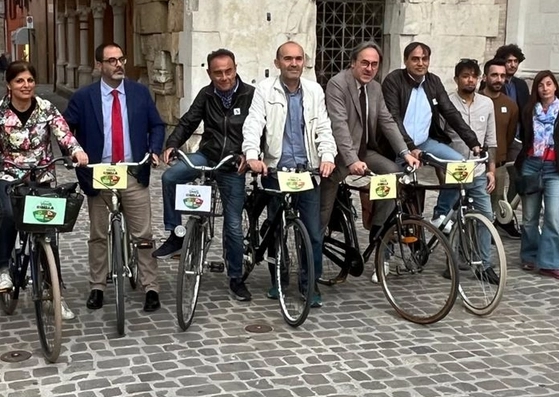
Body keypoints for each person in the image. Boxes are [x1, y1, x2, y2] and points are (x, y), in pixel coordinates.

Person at [0, 61, 88, 318]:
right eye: (19, 81)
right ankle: (2, 268)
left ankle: (54, 294)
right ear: (9, 85)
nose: (26, 86)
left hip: (41, 175)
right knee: (9, 214)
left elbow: (64, 134)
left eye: (29, 80)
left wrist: (76, 150)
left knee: (48, 230)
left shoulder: (47, 108)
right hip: (6, 174)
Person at [63, 41, 166, 312]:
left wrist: (154, 150)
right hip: (100, 173)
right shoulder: (84, 97)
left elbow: (157, 125)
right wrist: (75, 153)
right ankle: (97, 285)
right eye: (112, 60)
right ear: (99, 65)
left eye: (121, 59)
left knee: (143, 233)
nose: (119, 64)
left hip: (132, 170)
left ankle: (151, 286)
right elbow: (65, 130)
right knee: (98, 234)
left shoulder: (139, 93)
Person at [153, 49, 256, 301]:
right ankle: (176, 232)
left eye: (228, 71)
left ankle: (235, 277)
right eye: (217, 73)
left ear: (235, 68)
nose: (223, 77)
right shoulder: (207, 94)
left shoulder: (250, 95)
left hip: (234, 164)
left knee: (232, 224)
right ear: (209, 73)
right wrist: (172, 144)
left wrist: (251, 155)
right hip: (208, 156)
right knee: (170, 177)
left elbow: (260, 129)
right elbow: (189, 121)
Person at [241, 41, 336, 306]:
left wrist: (327, 157)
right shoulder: (264, 89)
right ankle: (278, 281)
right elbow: (254, 124)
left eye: (298, 59)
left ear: (304, 62)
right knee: (275, 229)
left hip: (307, 171)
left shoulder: (315, 90)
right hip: (276, 170)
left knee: (313, 233)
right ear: (277, 63)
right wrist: (252, 155)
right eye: (288, 59)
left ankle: (310, 284)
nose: (293, 63)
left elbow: (324, 128)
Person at [323, 42, 419, 251]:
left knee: (393, 174)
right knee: (324, 207)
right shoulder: (337, 84)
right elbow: (339, 126)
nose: (369, 68)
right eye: (364, 63)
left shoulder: (375, 87)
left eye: (374, 64)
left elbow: (387, 121)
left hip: (365, 151)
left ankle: (378, 229)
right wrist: (351, 160)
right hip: (339, 154)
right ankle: (313, 250)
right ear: (353, 63)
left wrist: (405, 152)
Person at [379, 42, 481, 232]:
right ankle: (386, 241)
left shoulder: (433, 82)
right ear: (405, 61)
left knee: (460, 166)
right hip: (398, 146)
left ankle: (440, 215)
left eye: (424, 59)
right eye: (415, 59)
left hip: (425, 142)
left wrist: (473, 141)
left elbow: (450, 112)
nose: (420, 63)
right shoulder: (394, 80)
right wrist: (409, 147)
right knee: (392, 195)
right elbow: (393, 118)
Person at [516, 70, 559, 280]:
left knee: (553, 215)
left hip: (555, 169)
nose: (545, 88)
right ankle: (530, 255)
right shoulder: (528, 111)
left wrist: (558, 156)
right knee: (529, 217)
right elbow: (524, 137)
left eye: (549, 84)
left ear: (555, 86)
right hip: (531, 165)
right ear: (536, 89)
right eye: (541, 85)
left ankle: (550, 263)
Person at [443, 59, 500, 284]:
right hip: (453, 171)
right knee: (451, 217)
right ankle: (452, 261)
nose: (470, 80)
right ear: (457, 79)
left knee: (485, 216)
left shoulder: (486, 104)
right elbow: (440, 137)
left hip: (477, 171)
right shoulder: (446, 103)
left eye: (474, 76)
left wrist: (491, 170)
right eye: (465, 76)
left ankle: (484, 264)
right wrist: (440, 173)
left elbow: (491, 140)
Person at [481, 58, 521, 238]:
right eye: (494, 75)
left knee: (495, 201)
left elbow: (510, 134)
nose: (499, 79)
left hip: (498, 163)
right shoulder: (476, 100)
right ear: (485, 77)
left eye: (502, 76)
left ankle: (489, 235)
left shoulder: (511, 105)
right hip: (476, 162)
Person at [494, 43, 530, 110]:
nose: (513, 65)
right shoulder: (493, 82)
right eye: (509, 61)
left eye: (515, 61)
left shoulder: (522, 85)